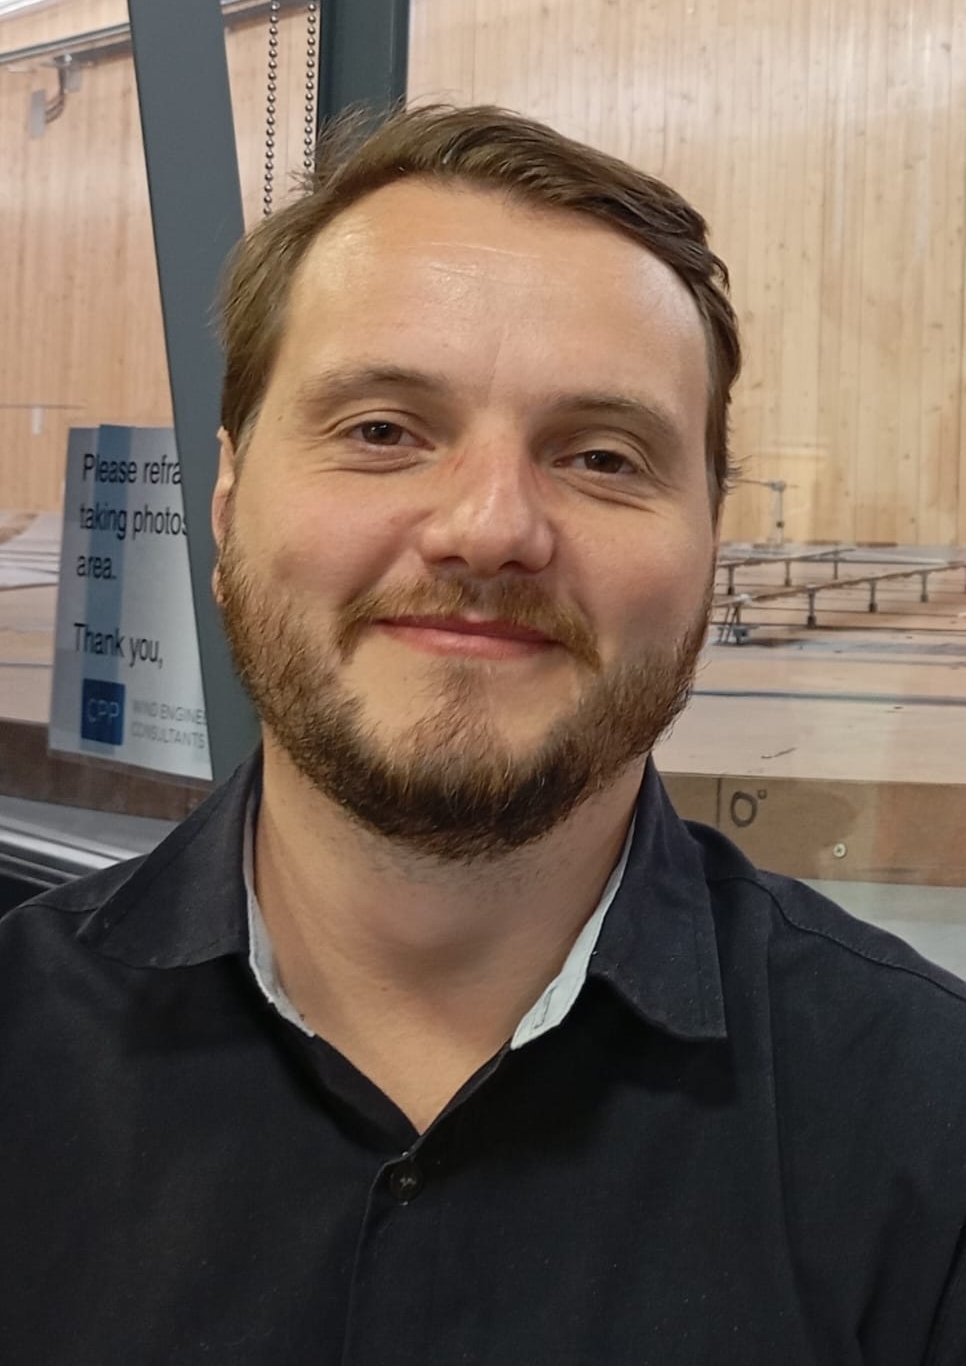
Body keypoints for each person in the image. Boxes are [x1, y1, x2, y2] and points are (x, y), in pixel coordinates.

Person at [1, 105, 964, 1366]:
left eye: (602, 456)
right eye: (383, 431)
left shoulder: (930, 1129)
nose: (491, 527)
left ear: (709, 543)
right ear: (229, 506)